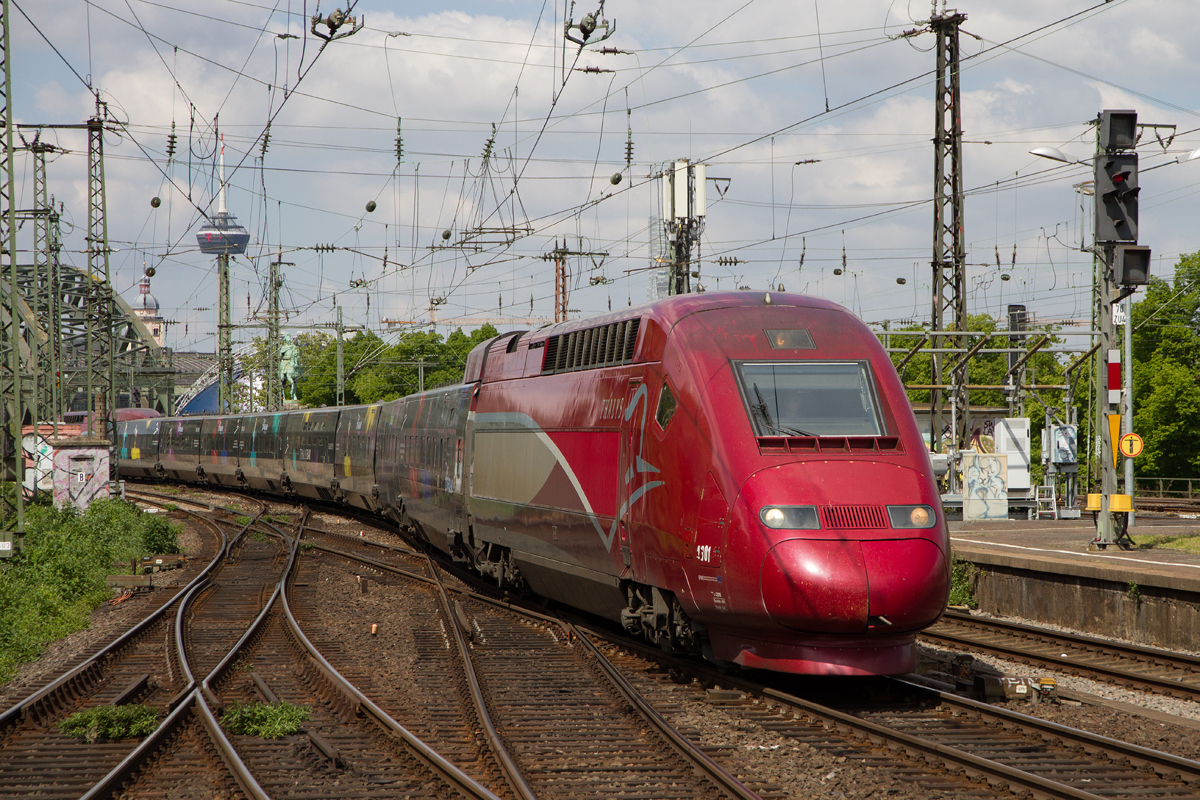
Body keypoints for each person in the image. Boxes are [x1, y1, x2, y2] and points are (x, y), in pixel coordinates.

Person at [280, 334, 301, 401]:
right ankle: (282, 375)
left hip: (292, 360)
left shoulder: (293, 346)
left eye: (290, 340)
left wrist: (296, 353)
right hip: (285, 361)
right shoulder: (284, 347)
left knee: (299, 367)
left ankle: (302, 376)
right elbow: (280, 354)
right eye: (288, 340)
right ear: (286, 340)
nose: (289, 341)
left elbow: (296, 352)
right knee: (282, 369)